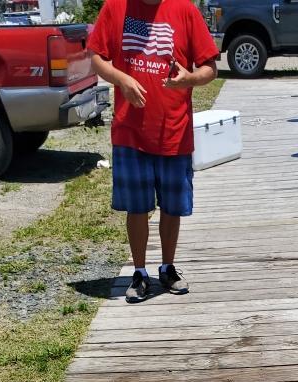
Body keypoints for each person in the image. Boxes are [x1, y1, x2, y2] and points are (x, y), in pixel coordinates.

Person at [88, 0, 219, 303]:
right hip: (130, 131)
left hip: (173, 130)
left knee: (172, 207)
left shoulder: (184, 10)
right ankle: (139, 272)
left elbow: (210, 67)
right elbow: (96, 57)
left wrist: (189, 79)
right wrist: (122, 79)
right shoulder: (115, 7)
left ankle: (167, 267)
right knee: (137, 207)